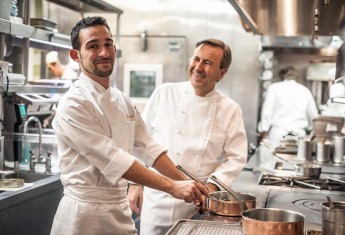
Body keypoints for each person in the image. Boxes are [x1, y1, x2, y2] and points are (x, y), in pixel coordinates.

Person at [50, 16, 208, 235]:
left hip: (119, 211)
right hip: (84, 217)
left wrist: (189, 183)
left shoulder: (121, 99)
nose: (104, 53)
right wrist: (172, 187)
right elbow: (115, 160)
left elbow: (148, 148)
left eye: (108, 44)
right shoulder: (73, 104)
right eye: (93, 46)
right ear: (76, 56)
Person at [128, 39, 248, 235]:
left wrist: (212, 185)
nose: (198, 67)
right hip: (156, 198)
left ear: (222, 73)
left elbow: (236, 157)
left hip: (196, 204)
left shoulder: (230, 109)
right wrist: (135, 184)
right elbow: (138, 141)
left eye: (208, 63)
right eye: (196, 59)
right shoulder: (164, 93)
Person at [258, 66, 318, 147]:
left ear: (282, 76)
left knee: (274, 158)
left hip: (278, 133)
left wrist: (264, 131)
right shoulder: (305, 90)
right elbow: (314, 115)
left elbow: (267, 112)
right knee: (297, 158)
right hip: (299, 134)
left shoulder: (274, 88)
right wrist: (312, 131)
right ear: (296, 77)